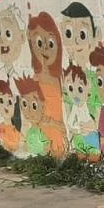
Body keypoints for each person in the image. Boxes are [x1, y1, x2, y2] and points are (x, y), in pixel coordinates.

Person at [26, 11, 66, 156]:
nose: (44, 49)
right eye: (39, 43)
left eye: (50, 43)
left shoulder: (58, 81)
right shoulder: (36, 81)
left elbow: (64, 126)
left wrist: (50, 123)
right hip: (44, 142)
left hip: (58, 141)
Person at [60, 2, 102, 120]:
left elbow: (99, 107)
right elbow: (67, 104)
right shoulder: (67, 78)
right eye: (68, 33)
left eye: (82, 34)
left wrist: (94, 125)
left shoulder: (94, 79)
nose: (76, 41)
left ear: (96, 36)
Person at [15, 75, 65, 157]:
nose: (29, 111)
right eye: (24, 104)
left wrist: (52, 122)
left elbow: (63, 131)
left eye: (34, 105)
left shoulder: (47, 125)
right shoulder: (29, 130)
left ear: (43, 105)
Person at [63, 63, 100, 158]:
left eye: (79, 89)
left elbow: (96, 124)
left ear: (88, 86)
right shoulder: (75, 107)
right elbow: (70, 123)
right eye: (70, 88)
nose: (75, 94)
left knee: (94, 156)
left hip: (91, 137)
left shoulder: (92, 106)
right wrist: (76, 130)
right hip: (81, 137)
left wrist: (91, 126)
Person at [0, 74, 21, 153]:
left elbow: (19, 141)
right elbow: (1, 140)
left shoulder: (16, 127)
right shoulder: (1, 126)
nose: (6, 106)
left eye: (9, 101)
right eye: (1, 101)